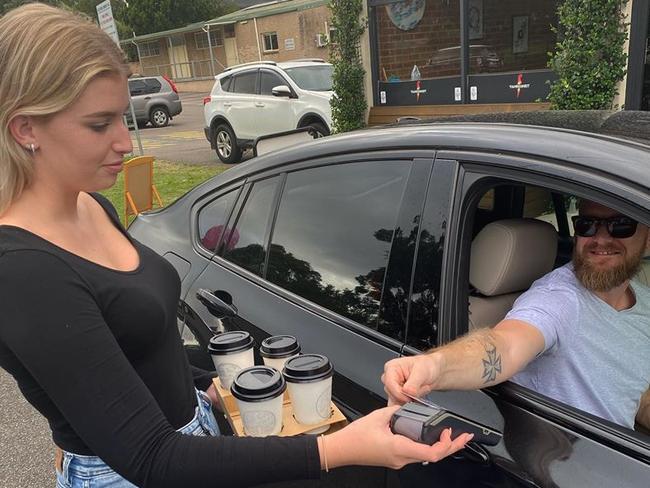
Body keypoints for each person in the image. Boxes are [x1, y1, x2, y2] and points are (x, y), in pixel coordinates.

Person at [0, 4, 473, 488]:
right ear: (26, 128)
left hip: (194, 433)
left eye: (122, 117)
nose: (125, 141)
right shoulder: (23, 271)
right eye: (100, 125)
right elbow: (151, 459)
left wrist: (200, 380)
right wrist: (339, 449)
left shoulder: (92, 206)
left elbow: (131, 339)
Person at [383, 199, 650, 431]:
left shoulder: (645, 301)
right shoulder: (558, 298)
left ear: (648, 237)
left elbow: (638, 393)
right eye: (587, 225)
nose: (601, 239)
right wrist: (434, 367)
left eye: (621, 225)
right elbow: (505, 346)